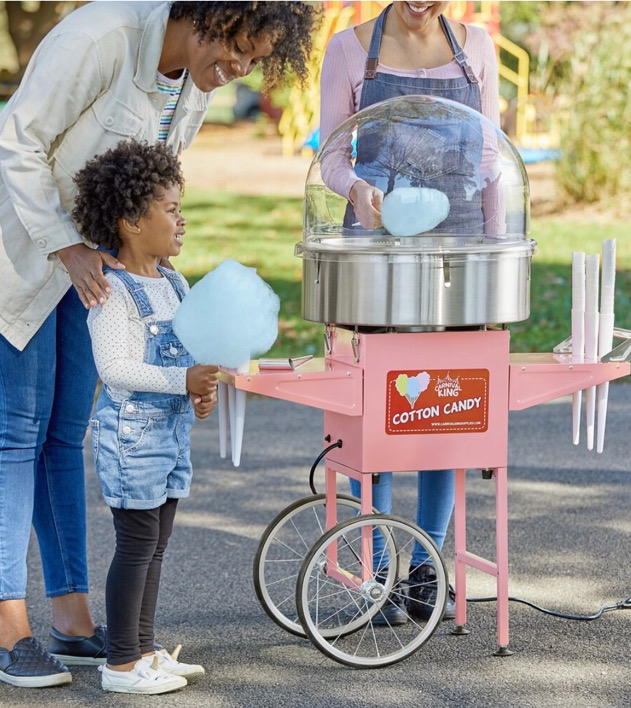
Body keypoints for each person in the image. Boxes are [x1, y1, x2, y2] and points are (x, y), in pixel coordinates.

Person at [0, 1, 319, 689]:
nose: (238, 70)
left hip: (97, 272)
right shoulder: (101, 36)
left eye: (255, 60)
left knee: (65, 434)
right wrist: (65, 245)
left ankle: (75, 621)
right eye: (237, 49)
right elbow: (17, 138)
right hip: (25, 254)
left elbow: (152, 175)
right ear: (209, 14)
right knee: (16, 437)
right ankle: (9, 631)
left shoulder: (192, 85)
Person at [319, 1, 501, 624]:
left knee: (445, 411)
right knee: (378, 414)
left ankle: (424, 570)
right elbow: (332, 155)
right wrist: (358, 191)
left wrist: (494, 259)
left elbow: (490, 158)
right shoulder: (349, 49)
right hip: (375, 251)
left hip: (459, 253)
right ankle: (376, 570)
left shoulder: (476, 46)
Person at [71, 139, 217, 694]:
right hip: (132, 439)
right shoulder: (114, 293)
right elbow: (114, 368)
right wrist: (182, 380)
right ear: (132, 220)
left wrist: (198, 393)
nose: (181, 220)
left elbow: (190, 355)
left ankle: (146, 647)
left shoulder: (175, 283)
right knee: (136, 546)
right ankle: (121, 664)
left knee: (156, 546)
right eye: (171, 210)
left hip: (171, 437)